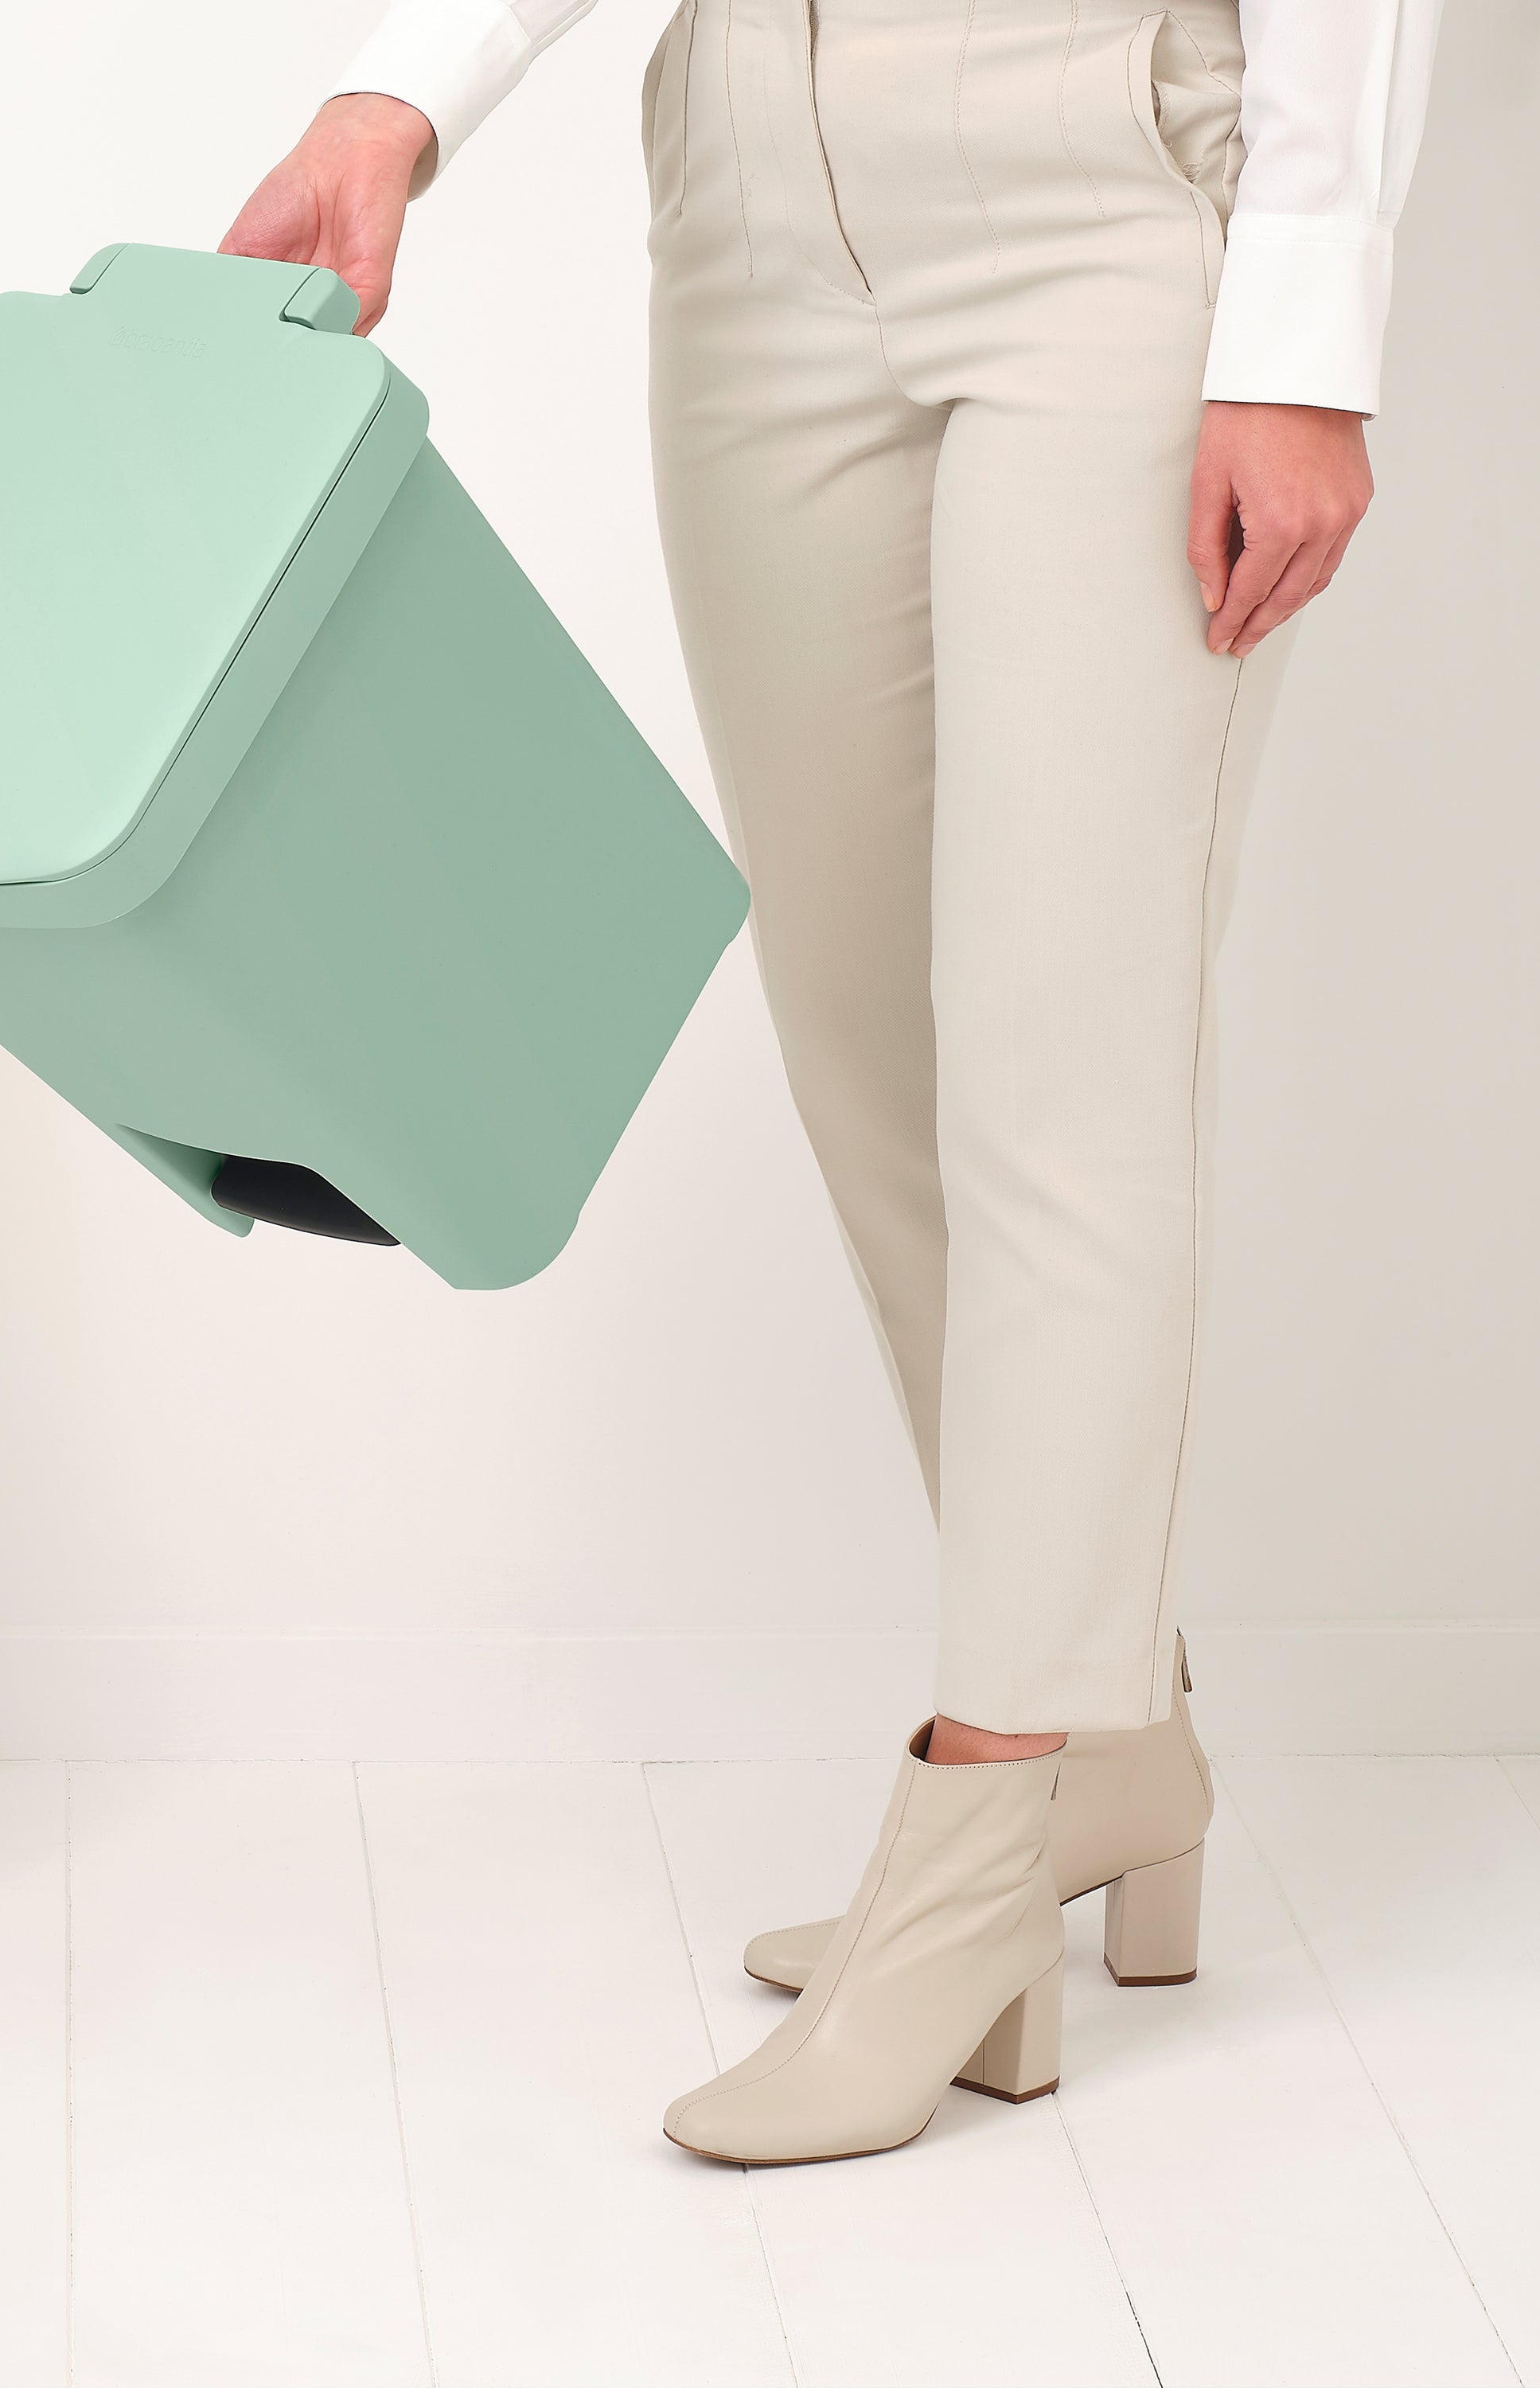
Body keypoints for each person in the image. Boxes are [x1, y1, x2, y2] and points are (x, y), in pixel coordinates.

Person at [223, 0, 1441, 2164]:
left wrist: (1306, 321)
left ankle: (983, 1826)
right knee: (867, 1045)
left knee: (1066, 1069)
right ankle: (1113, 1736)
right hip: (751, 196)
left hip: (1108, 190)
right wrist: (403, 89)